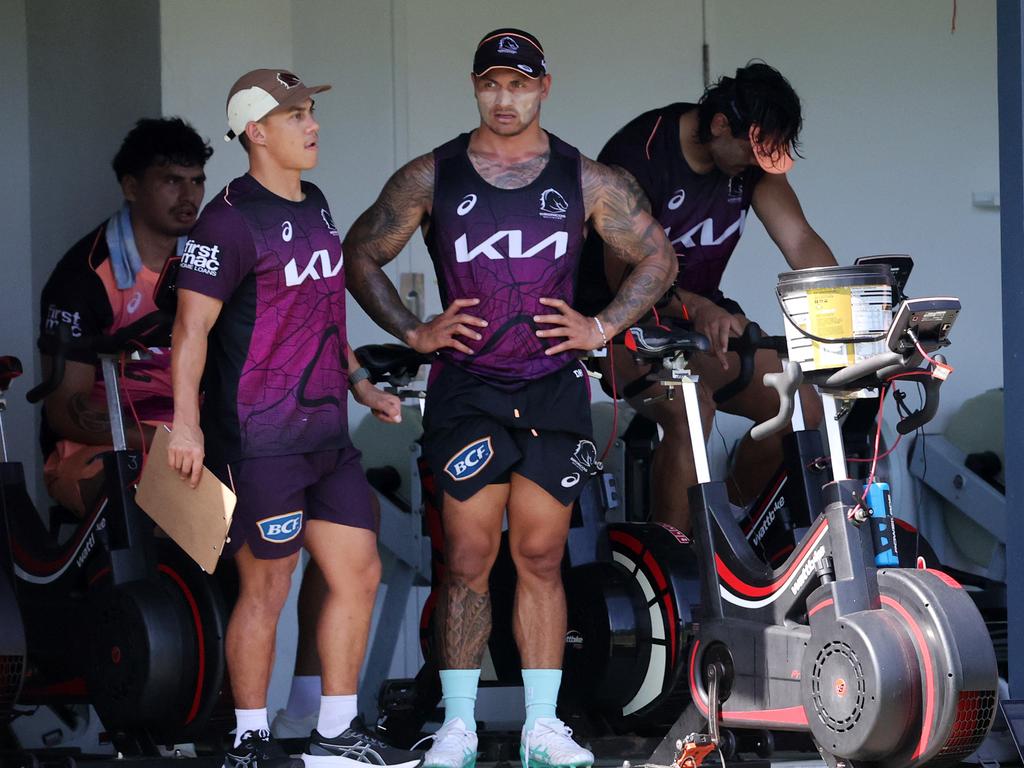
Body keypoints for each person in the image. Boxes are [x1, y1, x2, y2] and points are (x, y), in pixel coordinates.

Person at [343, 28, 677, 768]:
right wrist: (414, 329)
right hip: (468, 391)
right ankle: (457, 724)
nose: (504, 98)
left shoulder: (585, 178)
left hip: (553, 390)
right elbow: (359, 252)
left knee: (541, 554)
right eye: (492, 83)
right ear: (474, 86)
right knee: (465, 555)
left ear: (544, 89)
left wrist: (602, 324)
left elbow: (658, 254)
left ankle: (542, 726)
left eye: (519, 84)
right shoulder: (433, 176)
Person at [166, 69, 422, 768]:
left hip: (326, 437)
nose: (312, 125)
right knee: (269, 584)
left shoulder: (317, 202)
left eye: (310, 111)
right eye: (296, 115)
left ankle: (335, 735)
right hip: (261, 441)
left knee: (359, 571)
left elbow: (322, 313)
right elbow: (189, 333)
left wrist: (362, 383)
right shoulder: (224, 220)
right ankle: (249, 737)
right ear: (255, 131)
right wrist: (186, 426)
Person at [575, 61, 836, 533]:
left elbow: (800, 241)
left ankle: (720, 529)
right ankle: (676, 568)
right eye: (752, 151)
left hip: (700, 319)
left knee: (801, 408)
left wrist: (850, 308)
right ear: (719, 125)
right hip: (619, 322)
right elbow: (623, 279)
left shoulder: (748, 160)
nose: (757, 165)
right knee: (690, 410)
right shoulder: (640, 156)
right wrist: (699, 308)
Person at [37, 117, 210, 516]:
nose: (189, 196)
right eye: (171, 181)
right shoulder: (82, 277)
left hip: (194, 438)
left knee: (290, 512)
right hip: (99, 447)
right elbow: (65, 411)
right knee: (180, 518)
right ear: (131, 187)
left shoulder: (208, 259)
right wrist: (163, 439)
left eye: (196, 180)